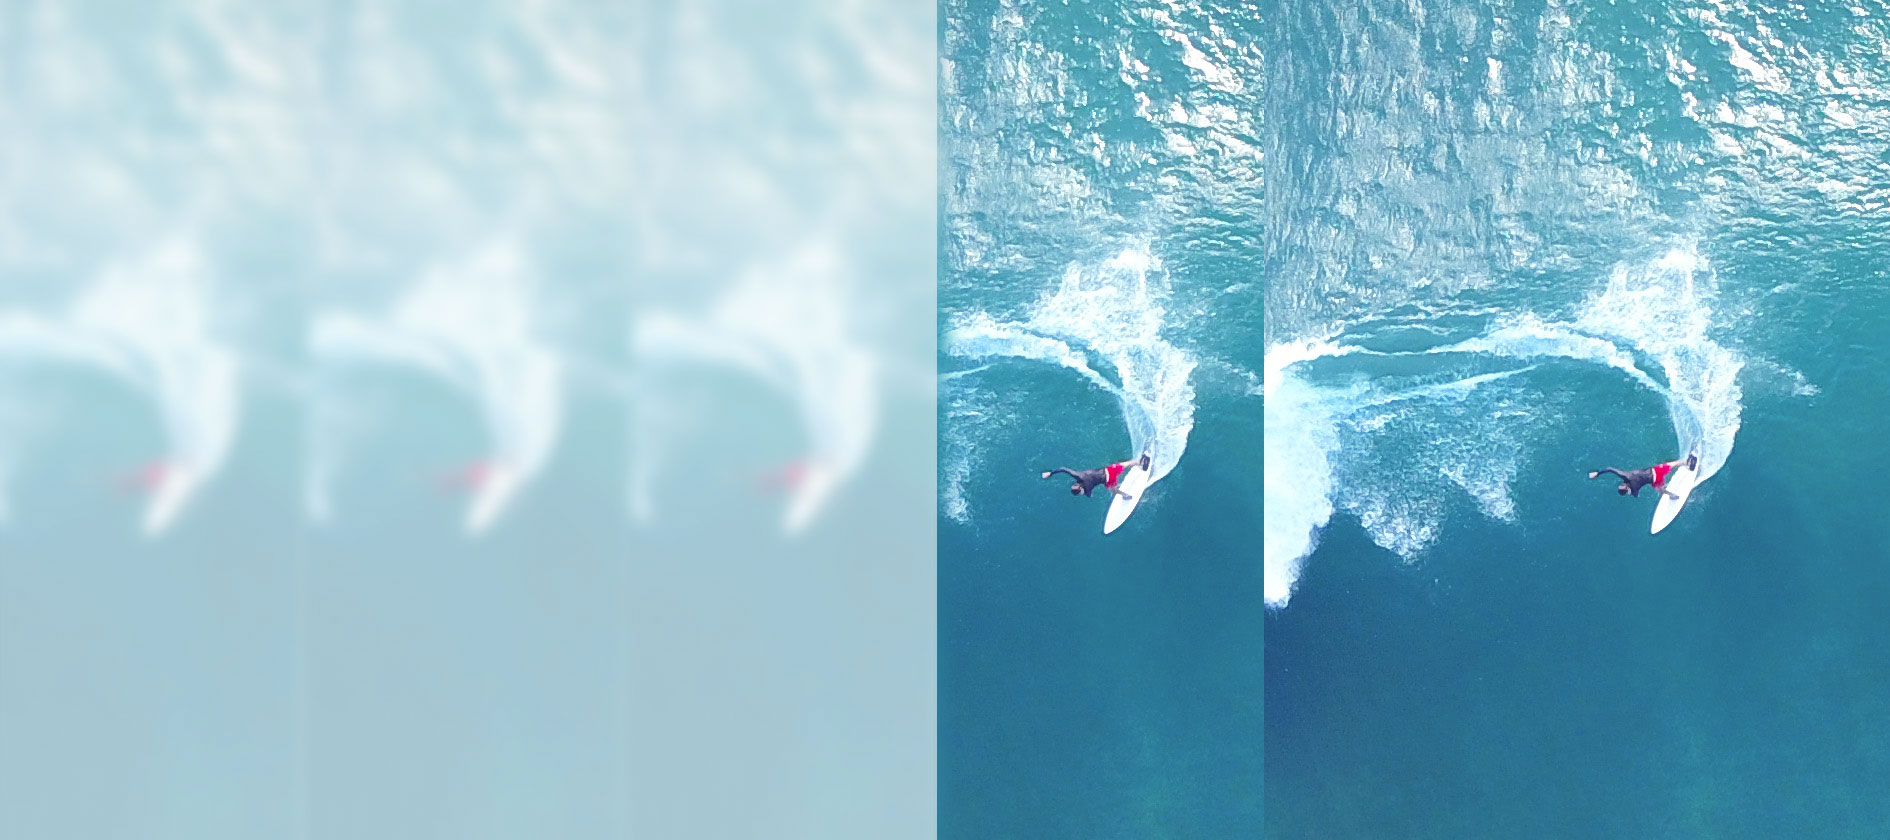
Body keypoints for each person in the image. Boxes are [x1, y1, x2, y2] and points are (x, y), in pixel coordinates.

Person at [1043, 453, 1151, 500]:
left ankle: (1125, 495)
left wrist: (1085, 493)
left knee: (1112, 490)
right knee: (1124, 464)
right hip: (1108, 470)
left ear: (1080, 489)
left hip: (1108, 481)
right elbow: (1063, 469)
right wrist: (1051, 473)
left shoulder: (1087, 490)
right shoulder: (1079, 475)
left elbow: (1089, 495)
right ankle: (1140, 462)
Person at [1589, 452, 1697, 499]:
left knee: (1660, 490)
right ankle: (1687, 461)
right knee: (1672, 464)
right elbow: (1610, 469)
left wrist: (1634, 494)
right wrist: (1597, 473)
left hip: (1655, 481)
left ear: (1627, 489)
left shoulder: (1634, 491)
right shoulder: (1626, 476)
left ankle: (1672, 495)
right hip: (1655, 472)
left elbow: (1636, 495)